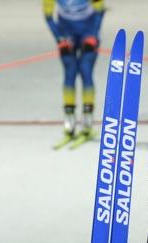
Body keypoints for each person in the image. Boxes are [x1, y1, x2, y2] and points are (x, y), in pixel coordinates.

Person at [43, 0, 104, 142]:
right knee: (70, 72)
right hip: (66, 33)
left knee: (85, 70)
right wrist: (60, 38)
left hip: (87, 31)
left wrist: (93, 35)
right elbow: (48, 16)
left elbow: (100, 12)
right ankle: (69, 124)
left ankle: (87, 123)